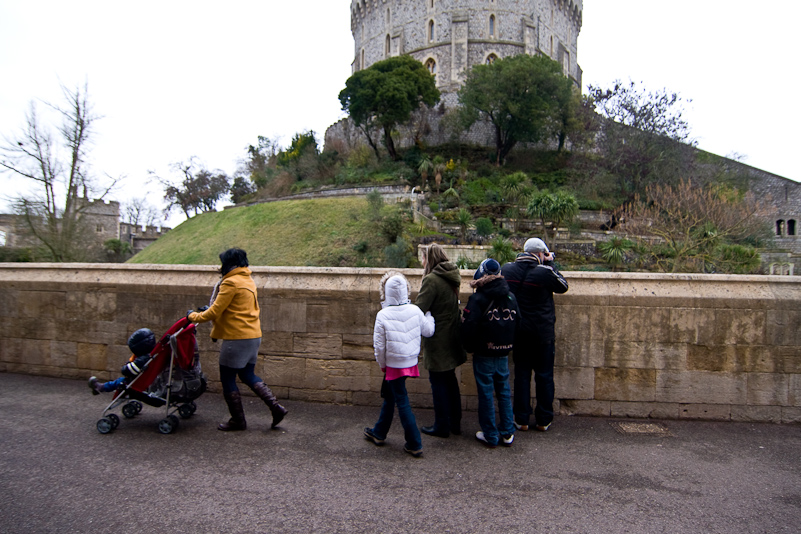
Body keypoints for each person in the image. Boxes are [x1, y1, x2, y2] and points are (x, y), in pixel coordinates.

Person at [187, 248, 287, 431]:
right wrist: (208, 310)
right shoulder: (247, 280)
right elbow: (232, 308)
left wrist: (192, 316)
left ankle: (237, 420)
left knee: (227, 378)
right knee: (247, 374)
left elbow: (215, 312)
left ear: (229, 264)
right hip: (253, 335)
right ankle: (276, 408)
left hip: (236, 338)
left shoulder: (231, 282)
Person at [364, 272, 435, 458]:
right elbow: (428, 331)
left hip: (393, 364)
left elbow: (379, 347)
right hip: (410, 360)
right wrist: (429, 316)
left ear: (386, 292)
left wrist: (382, 364)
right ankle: (379, 432)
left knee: (401, 400)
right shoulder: (415, 310)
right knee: (391, 395)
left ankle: (414, 443)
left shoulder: (383, 314)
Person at [501, 238, 568, 432]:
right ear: (540, 254)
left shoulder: (507, 269)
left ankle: (521, 419)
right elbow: (563, 285)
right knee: (544, 376)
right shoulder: (544, 272)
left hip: (519, 332)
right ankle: (543, 419)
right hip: (542, 333)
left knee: (521, 375)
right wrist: (550, 263)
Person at [460, 259, 519, 448]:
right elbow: (519, 324)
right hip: (503, 352)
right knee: (504, 391)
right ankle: (507, 432)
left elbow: (468, 327)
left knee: (486, 393)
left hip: (484, 352)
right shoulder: (511, 297)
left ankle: (490, 434)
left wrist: (469, 347)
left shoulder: (478, 299)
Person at [415, 243, 466, 438]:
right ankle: (455, 423)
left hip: (438, 339)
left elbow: (420, 309)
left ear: (430, 258)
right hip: (452, 337)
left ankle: (441, 425)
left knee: (438, 382)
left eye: (424, 258)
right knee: (451, 380)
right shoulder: (452, 277)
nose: (422, 262)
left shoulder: (432, 280)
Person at [88, 328, 157, 394]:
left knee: (120, 381)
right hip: (146, 380)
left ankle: (101, 387)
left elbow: (127, 371)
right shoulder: (152, 354)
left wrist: (126, 366)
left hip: (138, 383)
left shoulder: (144, 358)